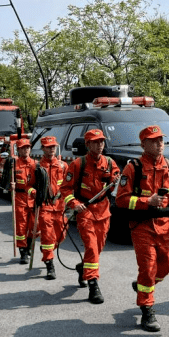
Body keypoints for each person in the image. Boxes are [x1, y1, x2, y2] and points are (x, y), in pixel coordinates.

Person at [115, 125, 169, 332]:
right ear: (143, 144)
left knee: (168, 265)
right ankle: (147, 309)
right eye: (154, 140)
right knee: (148, 268)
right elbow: (121, 200)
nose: (159, 144)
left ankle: (145, 285)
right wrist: (147, 201)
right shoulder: (133, 168)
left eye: (161, 140)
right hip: (142, 226)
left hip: (165, 227)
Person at [61, 129, 120, 304]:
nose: (99, 145)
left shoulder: (110, 163)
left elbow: (115, 187)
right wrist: (74, 204)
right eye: (95, 142)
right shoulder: (78, 164)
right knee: (92, 248)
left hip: (103, 211)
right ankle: (93, 286)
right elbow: (65, 189)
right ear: (88, 145)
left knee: (97, 248)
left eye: (101, 141)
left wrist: (115, 182)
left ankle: (83, 268)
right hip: (85, 211)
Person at [35, 136, 68, 281]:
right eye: (48, 147)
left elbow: (69, 184)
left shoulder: (63, 166)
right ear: (43, 148)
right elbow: (30, 185)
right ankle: (49, 265)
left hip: (60, 207)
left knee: (61, 236)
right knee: (47, 236)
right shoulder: (37, 167)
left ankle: (46, 250)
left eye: (53, 146)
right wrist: (34, 193)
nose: (51, 149)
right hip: (45, 207)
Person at [11, 136, 37, 265]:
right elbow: (5, 183)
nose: (26, 150)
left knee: (34, 226)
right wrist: (11, 186)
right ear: (18, 150)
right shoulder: (13, 164)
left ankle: (29, 246)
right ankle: (23, 252)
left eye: (27, 147)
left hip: (33, 199)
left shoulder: (36, 164)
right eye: (23, 148)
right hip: (20, 198)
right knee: (21, 227)